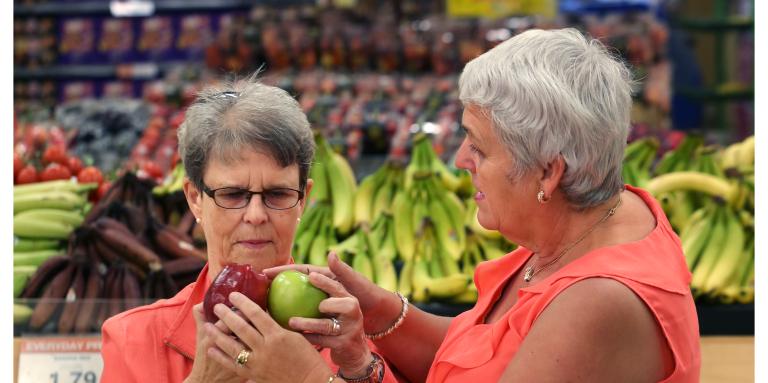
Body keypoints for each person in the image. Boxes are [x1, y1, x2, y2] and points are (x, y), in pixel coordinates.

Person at [203, 28, 701, 382]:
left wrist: (306, 378)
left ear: (549, 171)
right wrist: (380, 316)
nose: (460, 160)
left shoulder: (599, 302)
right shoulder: (577, 226)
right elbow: (479, 355)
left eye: (479, 147)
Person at [100, 76, 400, 383]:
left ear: (302, 200)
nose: (256, 215)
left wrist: (359, 367)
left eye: (277, 194)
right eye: (232, 195)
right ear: (195, 199)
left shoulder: (352, 331)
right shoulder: (133, 339)